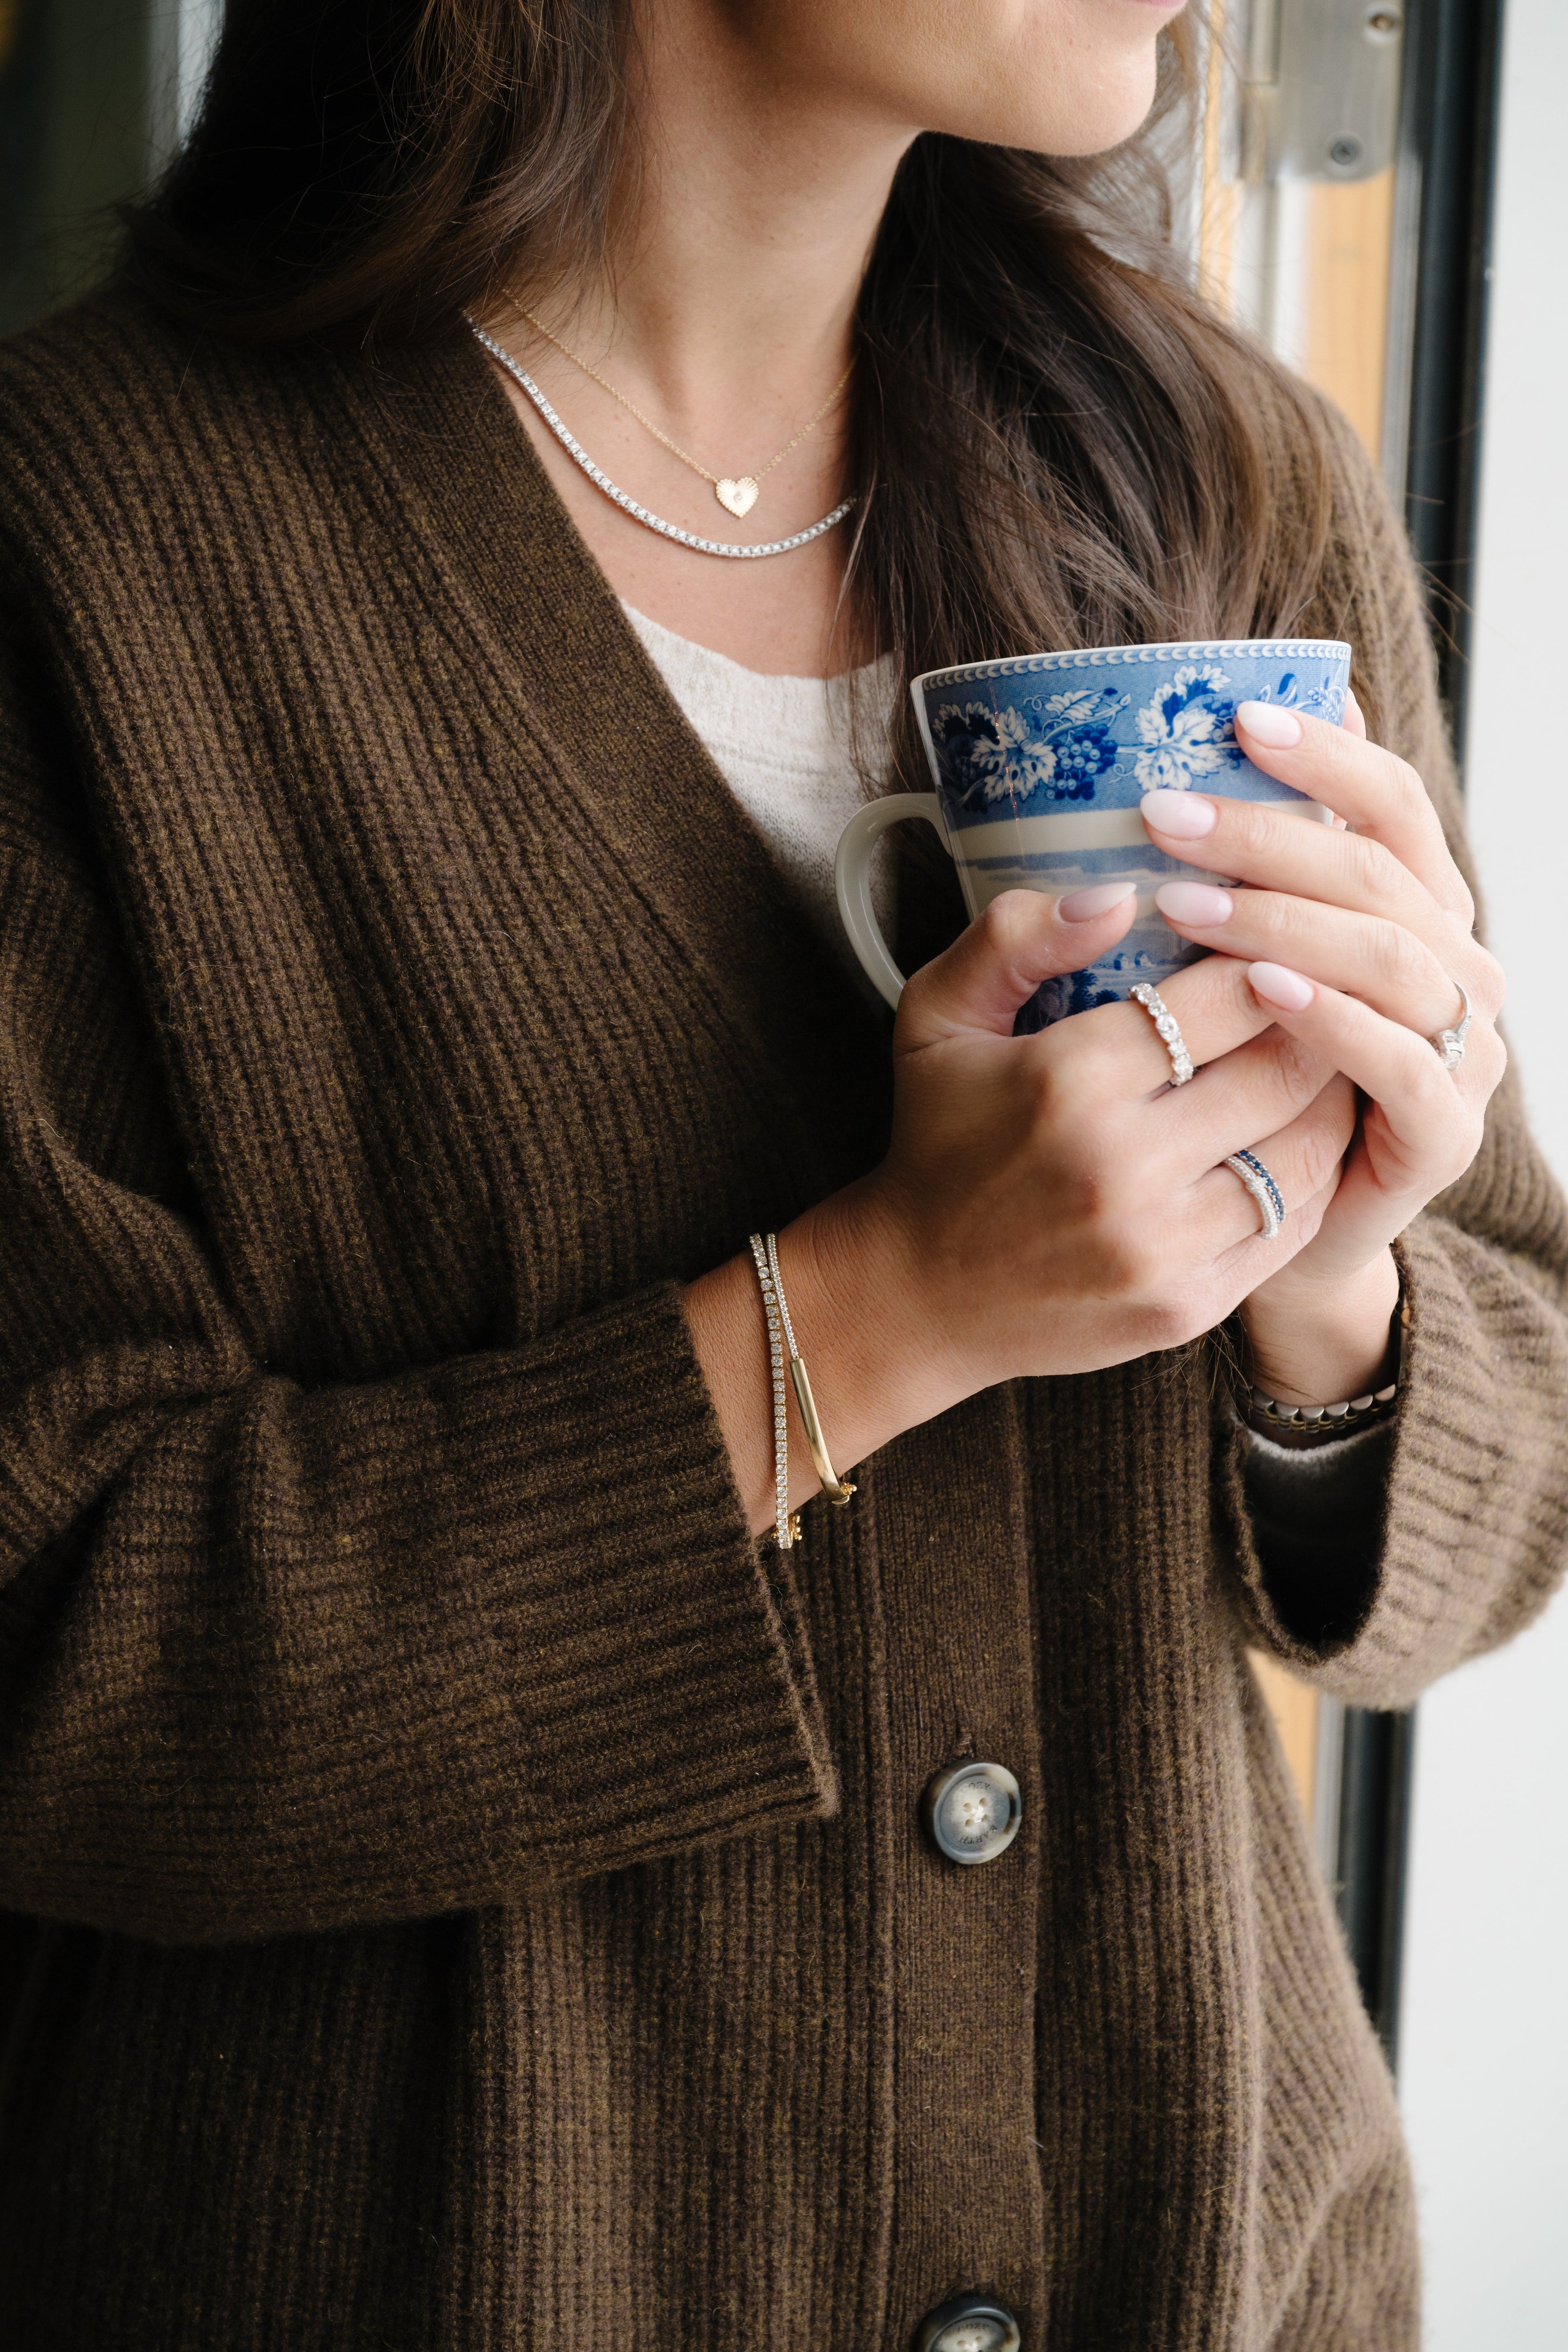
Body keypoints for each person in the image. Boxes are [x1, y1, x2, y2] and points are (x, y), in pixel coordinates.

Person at [0, 0, 1561, 2344]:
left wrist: (1330, 1299)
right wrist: (888, 1310)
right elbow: (61, 1670)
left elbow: (1517, 1441)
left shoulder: (1228, 484)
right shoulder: (87, 556)